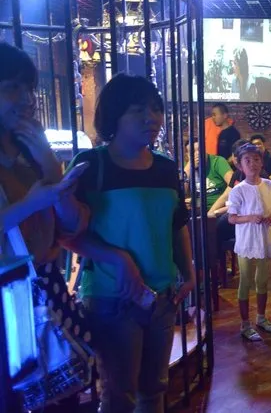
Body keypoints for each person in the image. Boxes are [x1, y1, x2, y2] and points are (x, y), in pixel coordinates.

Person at [64, 73, 196, 413]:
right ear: (115, 116)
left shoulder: (166, 169)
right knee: (119, 393)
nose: (151, 118)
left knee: (155, 388)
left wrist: (189, 271)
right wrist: (117, 258)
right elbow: (65, 233)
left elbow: (176, 223)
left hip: (162, 296)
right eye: (138, 110)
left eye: (155, 109)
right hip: (111, 298)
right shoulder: (92, 165)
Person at [0, 42, 91, 412]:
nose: (25, 98)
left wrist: (48, 161)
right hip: (9, 300)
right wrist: (32, 203)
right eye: (11, 88)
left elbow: (75, 223)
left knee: (62, 396)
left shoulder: (29, 155)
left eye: (28, 88)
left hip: (44, 286)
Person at [227, 143, 271, 341]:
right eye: (247, 160)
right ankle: (245, 323)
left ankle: (261, 317)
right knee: (245, 281)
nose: (252, 164)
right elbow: (232, 218)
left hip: (265, 239)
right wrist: (249, 218)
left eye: (256, 159)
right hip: (247, 242)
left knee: (262, 281)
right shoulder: (238, 190)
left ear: (262, 162)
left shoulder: (269, 185)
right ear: (240, 165)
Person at [183, 140, 233, 212]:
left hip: (219, 208)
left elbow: (234, 185)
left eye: (200, 149)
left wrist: (212, 211)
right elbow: (180, 192)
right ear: (187, 155)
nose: (197, 153)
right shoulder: (187, 166)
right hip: (196, 209)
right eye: (192, 151)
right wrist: (190, 166)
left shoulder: (217, 161)